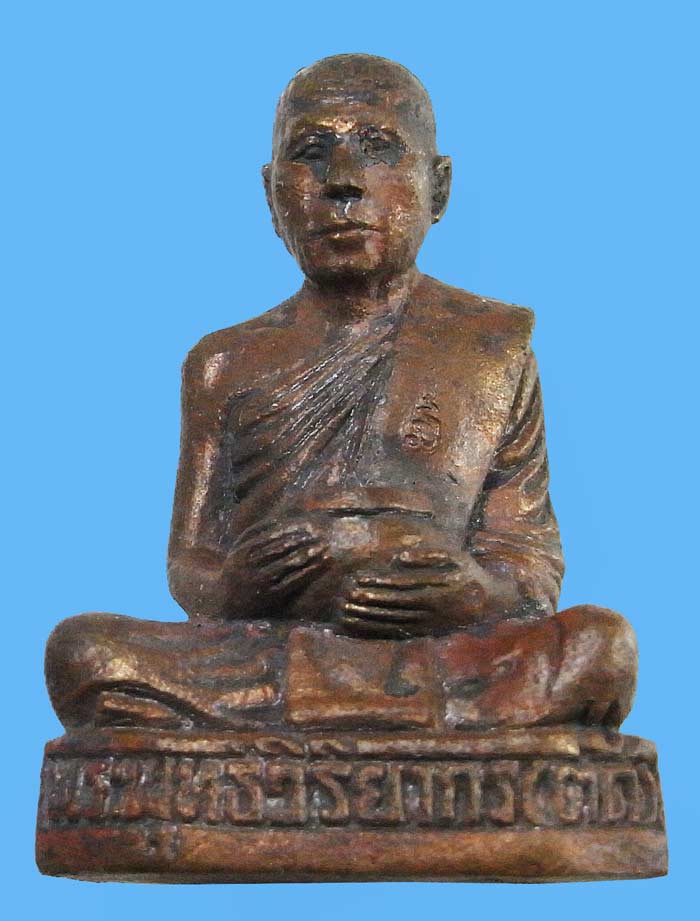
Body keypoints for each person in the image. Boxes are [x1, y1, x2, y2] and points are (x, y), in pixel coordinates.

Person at [45, 55, 636, 732]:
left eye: (379, 149)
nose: (343, 182)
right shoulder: (224, 363)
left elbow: (528, 560)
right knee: (84, 651)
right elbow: (192, 563)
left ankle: (326, 724)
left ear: (438, 187)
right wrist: (235, 587)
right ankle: (409, 722)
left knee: (601, 646)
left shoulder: (491, 346)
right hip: (273, 648)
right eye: (311, 154)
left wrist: (473, 593)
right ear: (272, 195)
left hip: (441, 649)